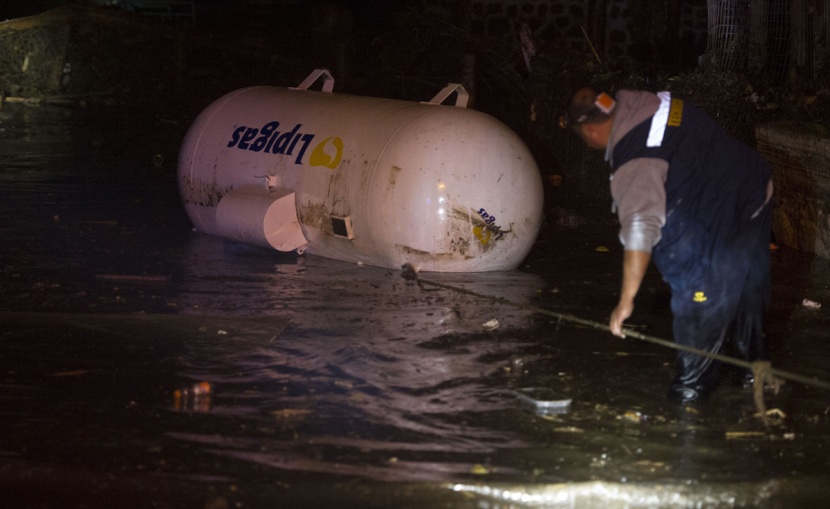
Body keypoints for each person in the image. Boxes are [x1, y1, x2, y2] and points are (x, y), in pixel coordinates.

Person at [561, 87, 774, 402]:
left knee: (697, 304)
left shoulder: (635, 163)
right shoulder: (651, 103)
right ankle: (757, 378)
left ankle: (686, 409)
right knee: (747, 291)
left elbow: (639, 230)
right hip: (755, 193)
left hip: (723, 216)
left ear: (591, 131)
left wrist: (626, 301)